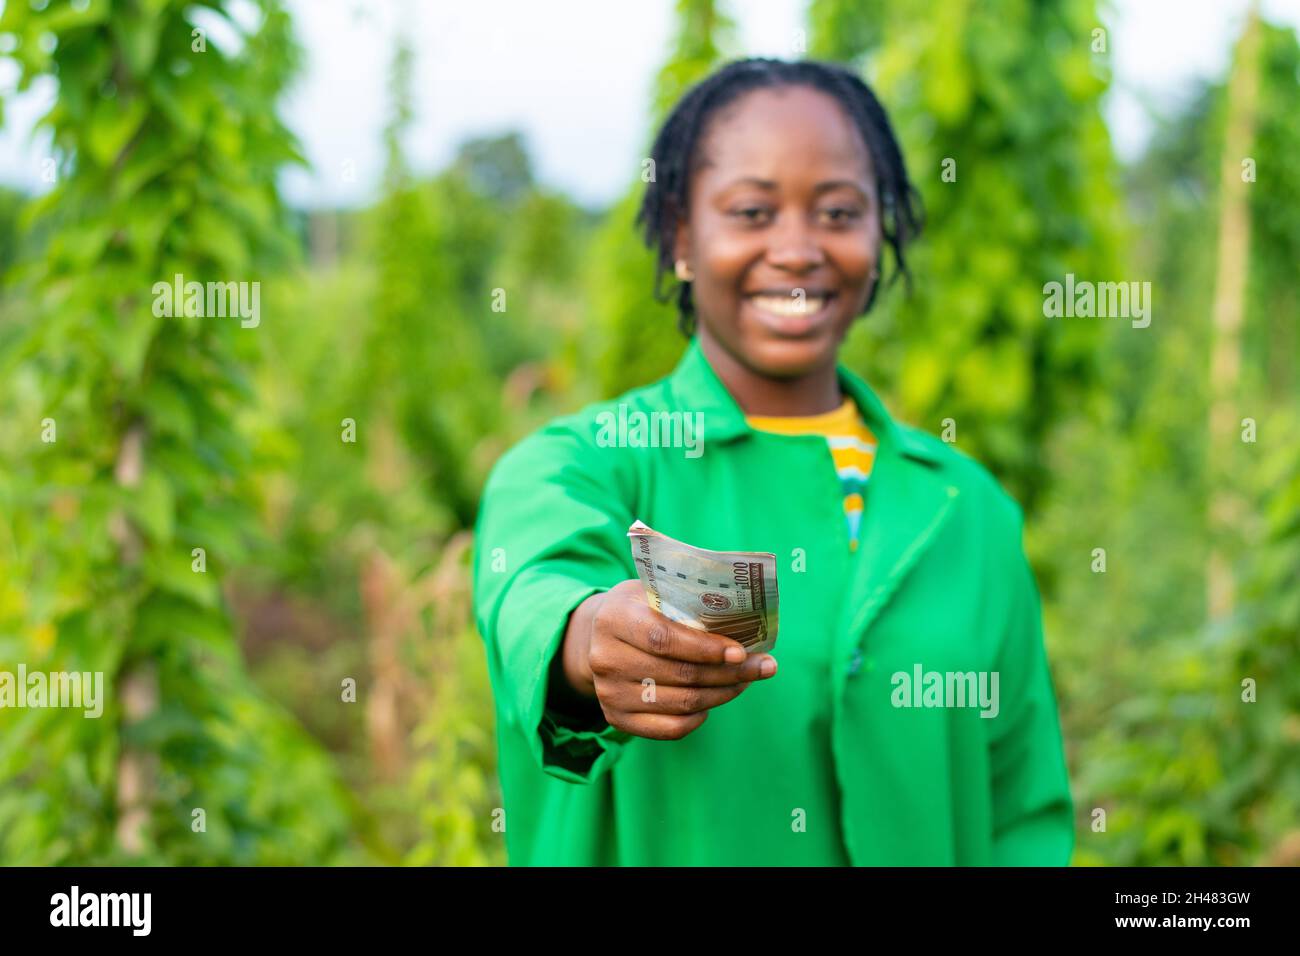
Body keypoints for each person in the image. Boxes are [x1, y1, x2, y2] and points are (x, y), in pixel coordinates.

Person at [472, 58, 1073, 866]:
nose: (797, 250)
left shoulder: (969, 509)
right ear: (685, 238)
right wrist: (591, 645)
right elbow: (535, 599)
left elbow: (1022, 810)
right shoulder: (575, 466)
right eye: (753, 211)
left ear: (877, 231)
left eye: (838, 212)